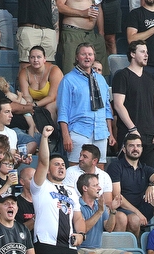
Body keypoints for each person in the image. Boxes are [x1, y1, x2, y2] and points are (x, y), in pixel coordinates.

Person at [30, 125, 90, 254]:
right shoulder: (40, 186)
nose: (61, 167)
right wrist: (45, 138)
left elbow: (78, 218)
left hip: (69, 246)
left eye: (63, 165)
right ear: (47, 170)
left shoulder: (72, 191)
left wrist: (81, 234)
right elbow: (43, 162)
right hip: (46, 244)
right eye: (56, 164)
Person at [56, 43, 114, 165]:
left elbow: (107, 109)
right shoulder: (68, 80)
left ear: (94, 57)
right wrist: (66, 136)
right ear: (77, 57)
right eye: (83, 54)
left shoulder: (101, 79)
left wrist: (110, 133)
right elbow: (63, 111)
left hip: (100, 131)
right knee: (76, 168)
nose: (87, 57)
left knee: (99, 169)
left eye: (90, 54)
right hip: (79, 131)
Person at [106, 134, 154, 237]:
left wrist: (152, 185)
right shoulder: (116, 166)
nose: (135, 149)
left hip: (141, 207)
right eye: (131, 146)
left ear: (142, 149)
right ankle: (136, 247)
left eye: (138, 146)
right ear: (124, 149)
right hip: (123, 209)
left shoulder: (144, 168)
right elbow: (117, 196)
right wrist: (137, 212)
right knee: (134, 219)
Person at [112, 40, 154, 167]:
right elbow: (118, 104)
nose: (146, 55)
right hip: (130, 133)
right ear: (132, 54)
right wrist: (132, 129)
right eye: (142, 52)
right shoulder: (122, 75)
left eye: (147, 52)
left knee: (148, 174)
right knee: (127, 172)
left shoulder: (151, 78)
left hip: (150, 134)